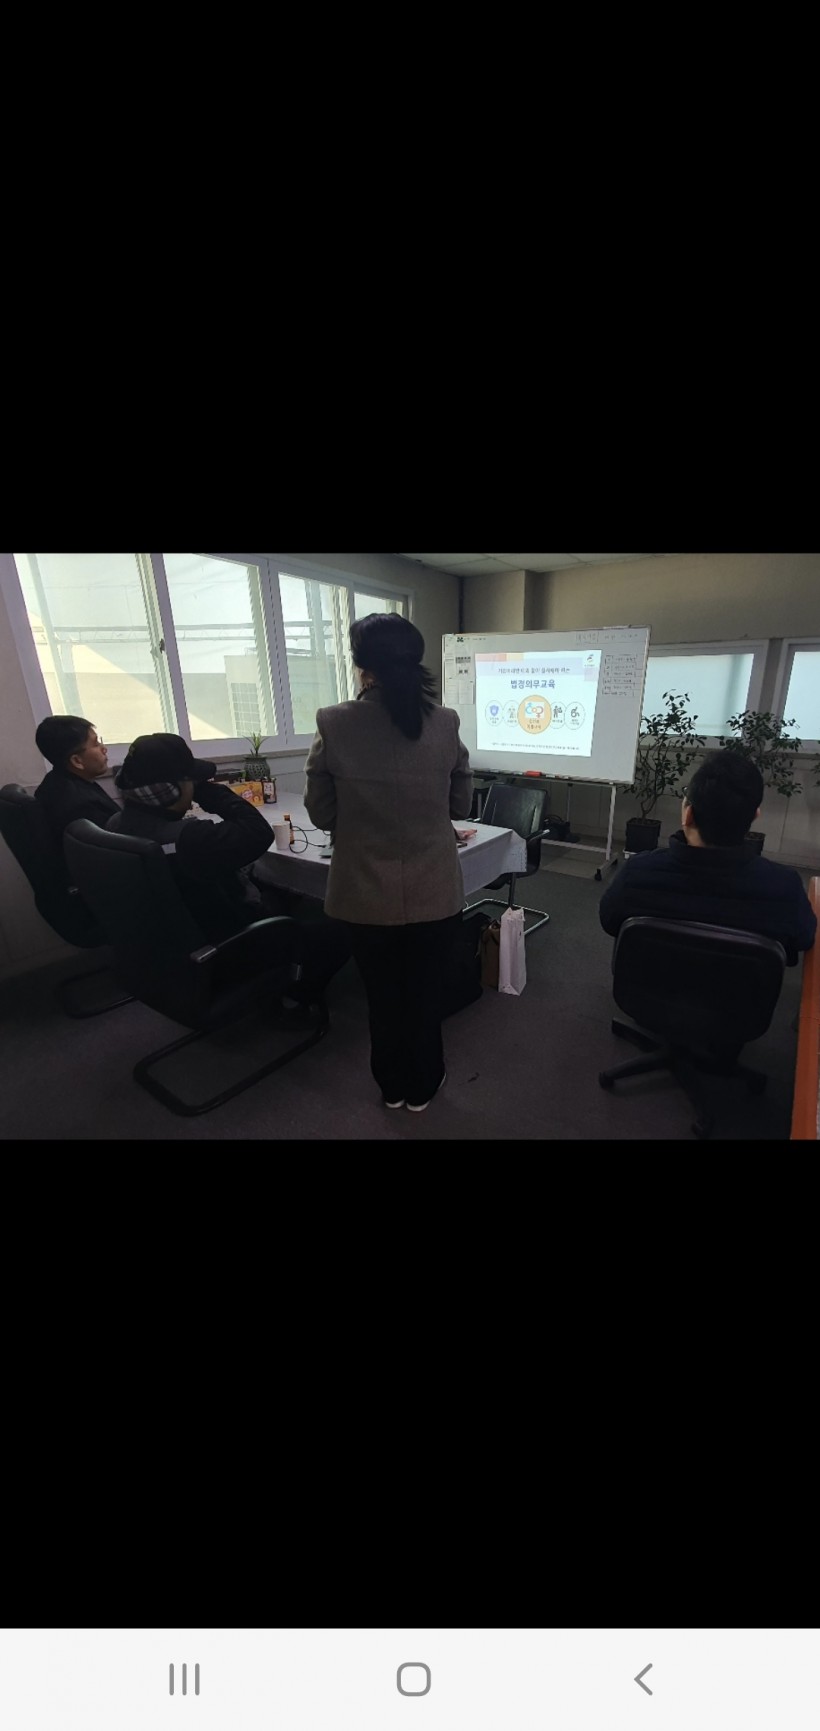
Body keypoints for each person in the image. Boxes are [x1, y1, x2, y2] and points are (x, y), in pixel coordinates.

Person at [304, 612, 473, 1111]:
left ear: (363, 667)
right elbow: (460, 804)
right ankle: (423, 1085)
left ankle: (392, 1088)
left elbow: (321, 812)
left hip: (362, 891)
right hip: (434, 888)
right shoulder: (445, 722)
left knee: (381, 995)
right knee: (424, 994)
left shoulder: (333, 722)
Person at [107, 732, 351, 1003]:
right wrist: (210, 791)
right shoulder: (190, 839)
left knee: (277, 889)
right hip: (230, 945)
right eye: (191, 781)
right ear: (173, 789)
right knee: (347, 927)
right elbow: (259, 833)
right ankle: (300, 991)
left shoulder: (115, 825)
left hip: (172, 946)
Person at [599, 749, 817, 965]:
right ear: (754, 816)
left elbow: (609, 921)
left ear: (688, 814)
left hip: (648, 987)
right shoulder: (785, 888)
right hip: (736, 989)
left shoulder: (636, 874)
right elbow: (803, 938)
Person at [34, 715, 120, 842]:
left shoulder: (54, 781)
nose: (104, 749)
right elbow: (118, 845)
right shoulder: (82, 806)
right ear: (77, 761)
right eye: (96, 744)